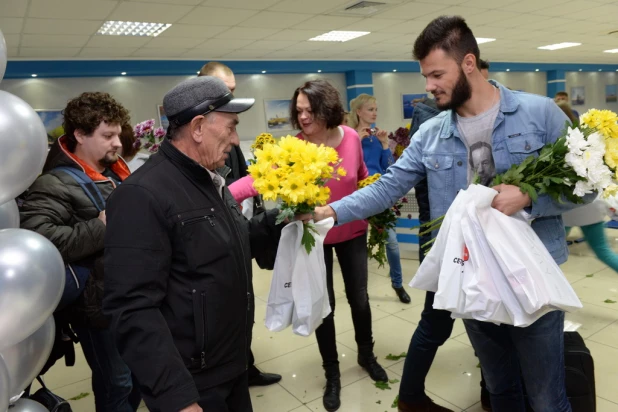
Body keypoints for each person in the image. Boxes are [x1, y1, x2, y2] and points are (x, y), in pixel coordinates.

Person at [314, 15, 595, 412]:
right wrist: (329, 210)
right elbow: (387, 186)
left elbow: (586, 186)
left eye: (436, 74)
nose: (428, 86)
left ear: (467, 63)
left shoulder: (540, 114)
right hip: (473, 280)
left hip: (533, 279)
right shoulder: (430, 134)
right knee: (499, 391)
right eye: (426, 76)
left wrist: (530, 198)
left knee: (547, 398)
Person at [103, 76, 287, 412]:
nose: (235, 139)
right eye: (231, 127)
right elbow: (131, 309)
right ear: (198, 127)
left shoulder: (209, 180)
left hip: (230, 364)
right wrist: (177, 397)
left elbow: (235, 240)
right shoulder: (141, 196)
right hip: (194, 382)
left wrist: (284, 219)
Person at [20, 92, 141, 412]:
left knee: (140, 376)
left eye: (118, 133)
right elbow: (38, 240)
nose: (118, 142)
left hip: (134, 294)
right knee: (117, 383)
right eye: (108, 135)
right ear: (79, 135)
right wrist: (103, 226)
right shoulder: (53, 183)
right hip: (99, 307)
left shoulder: (114, 171)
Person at [291, 80, 388, 411]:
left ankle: (366, 354)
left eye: (310, 110)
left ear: (327, 110)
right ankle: (331, 372)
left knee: (359, 298)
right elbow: (267, 181)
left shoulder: (349, 137)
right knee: (324, 305)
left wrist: (376, 203)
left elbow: (362, 176)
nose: (303, 117)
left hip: (353, 231)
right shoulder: (295, 147)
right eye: (299, 110)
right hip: (316, 237)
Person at [198, 61, 281, 387]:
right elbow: (207, 201)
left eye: (233, 89)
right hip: (212, 245)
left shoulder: (227, 138)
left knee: (242, 305)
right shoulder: (195, 145)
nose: (231, 95)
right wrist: (246, 188)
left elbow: (244, 177)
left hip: (237, 234)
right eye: (225, 90)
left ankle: (244, 368)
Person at [349, 93, 411, 304]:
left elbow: (389, 168)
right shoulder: (348, 136)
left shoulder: (378, 137)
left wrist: (385, 145)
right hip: (356, 197)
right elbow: (344, 167)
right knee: (357, 248)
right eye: (370, 109)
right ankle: (359, 290)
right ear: (358, 112)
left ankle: (398, 284)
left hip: (378, 195)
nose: (375, 113)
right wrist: (355, 142)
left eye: (376, 109)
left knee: (392, 243)